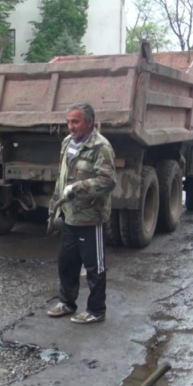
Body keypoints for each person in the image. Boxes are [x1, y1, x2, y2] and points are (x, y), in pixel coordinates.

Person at [46, 102, 117, 324]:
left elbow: (107, 182)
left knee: (95, 267)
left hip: (89, 216)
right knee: (66, 263)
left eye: (75, 121)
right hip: (69, 215)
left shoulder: (100, 147)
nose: (70, 126)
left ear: (89, 122)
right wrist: (55, 202)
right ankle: (67, 302)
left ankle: (96, 310)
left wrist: (79, 187)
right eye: (68, 121)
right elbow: (62, 176)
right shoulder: (68, 143)